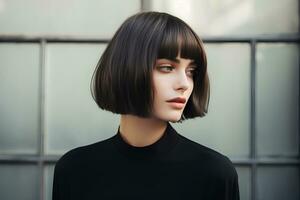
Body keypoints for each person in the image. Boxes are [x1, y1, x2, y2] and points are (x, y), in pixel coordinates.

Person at [52, 11, 240, 200]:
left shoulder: (215, 174)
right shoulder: (74, 171)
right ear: (127, 69)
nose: (184, 83)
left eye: (191, 71)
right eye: (167, 68)